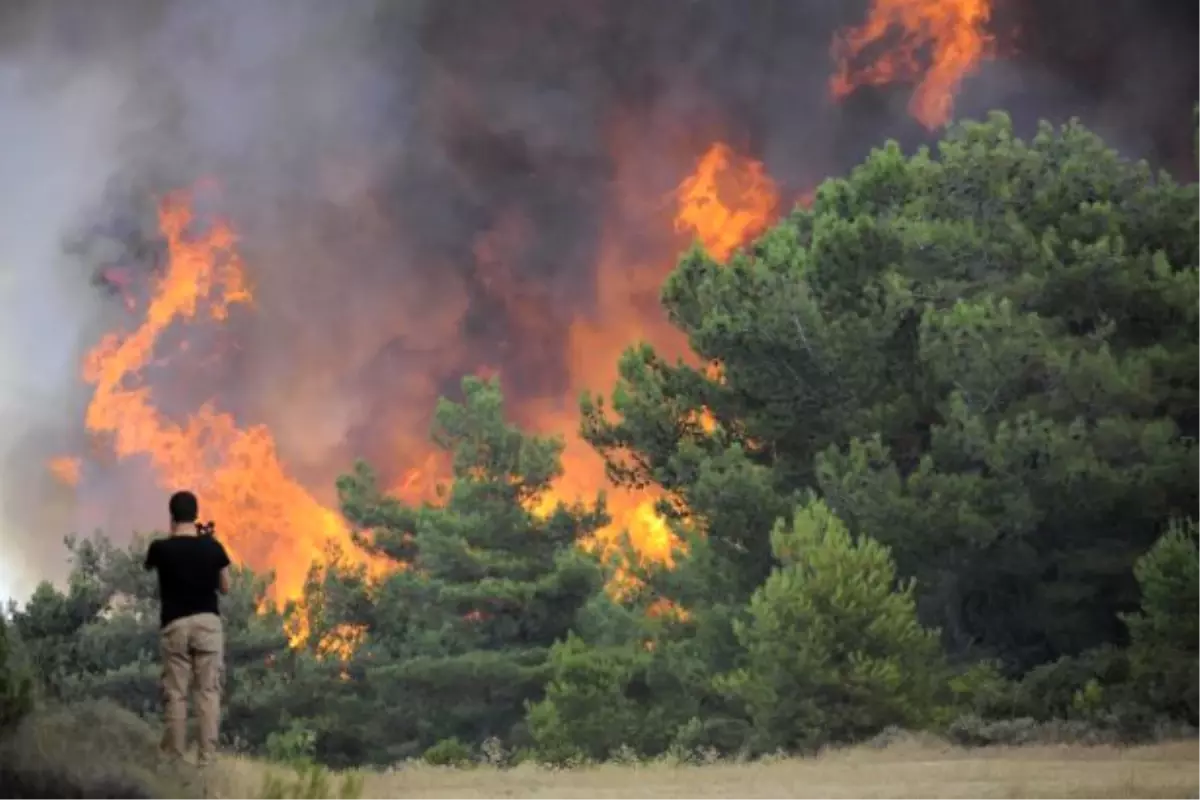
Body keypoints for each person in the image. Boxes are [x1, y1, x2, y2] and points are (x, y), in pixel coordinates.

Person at [143, 490, 232, 767]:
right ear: (195, 515)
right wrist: (207, 543)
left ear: (172, 516)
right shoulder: (212, 547)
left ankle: (175, 760)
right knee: (208, 692)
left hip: (175, 625)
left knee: (176, 694)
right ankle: (207, 760)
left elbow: (150, 567)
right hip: (208, 624)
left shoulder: (160, 548)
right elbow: (226, 587)